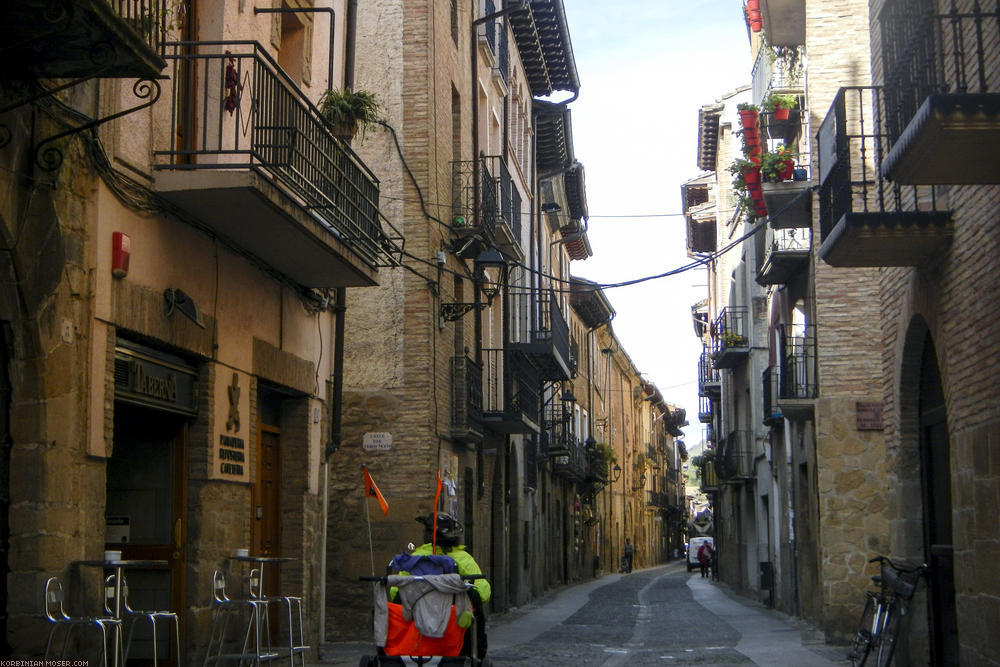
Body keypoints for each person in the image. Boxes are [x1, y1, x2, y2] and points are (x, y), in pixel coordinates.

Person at [413, 512, 490, 659]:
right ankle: (478, 651)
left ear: (431, 535)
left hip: (418, 616)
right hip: (455, 619)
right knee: (473, 598)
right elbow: (484, 593)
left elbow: (394, 590)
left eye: (426, 531)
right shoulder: (463, 559)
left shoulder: (416, 557)